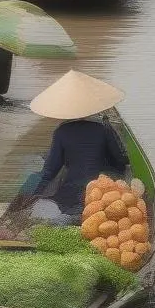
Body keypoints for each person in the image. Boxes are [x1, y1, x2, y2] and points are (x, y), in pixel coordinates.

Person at [28, 71, 128, 224]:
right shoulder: (103, 129)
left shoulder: (61, 132)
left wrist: (32, 196)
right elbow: (120, 162)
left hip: (70, 193)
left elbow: (50, 171)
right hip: (100, 193)